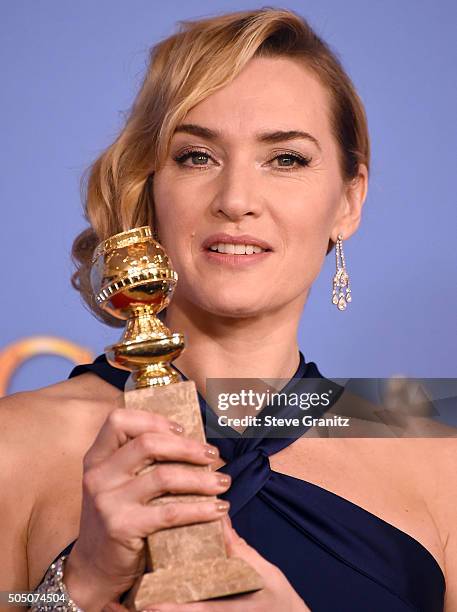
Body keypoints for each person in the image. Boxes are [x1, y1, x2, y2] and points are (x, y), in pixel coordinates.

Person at [1, 8, 456, 612]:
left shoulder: (436, 454)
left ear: (349, 200)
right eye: (196, 156)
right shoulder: (16, 444)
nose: (237, 200)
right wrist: (79, 586)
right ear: (149, 189)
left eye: (286, 158)